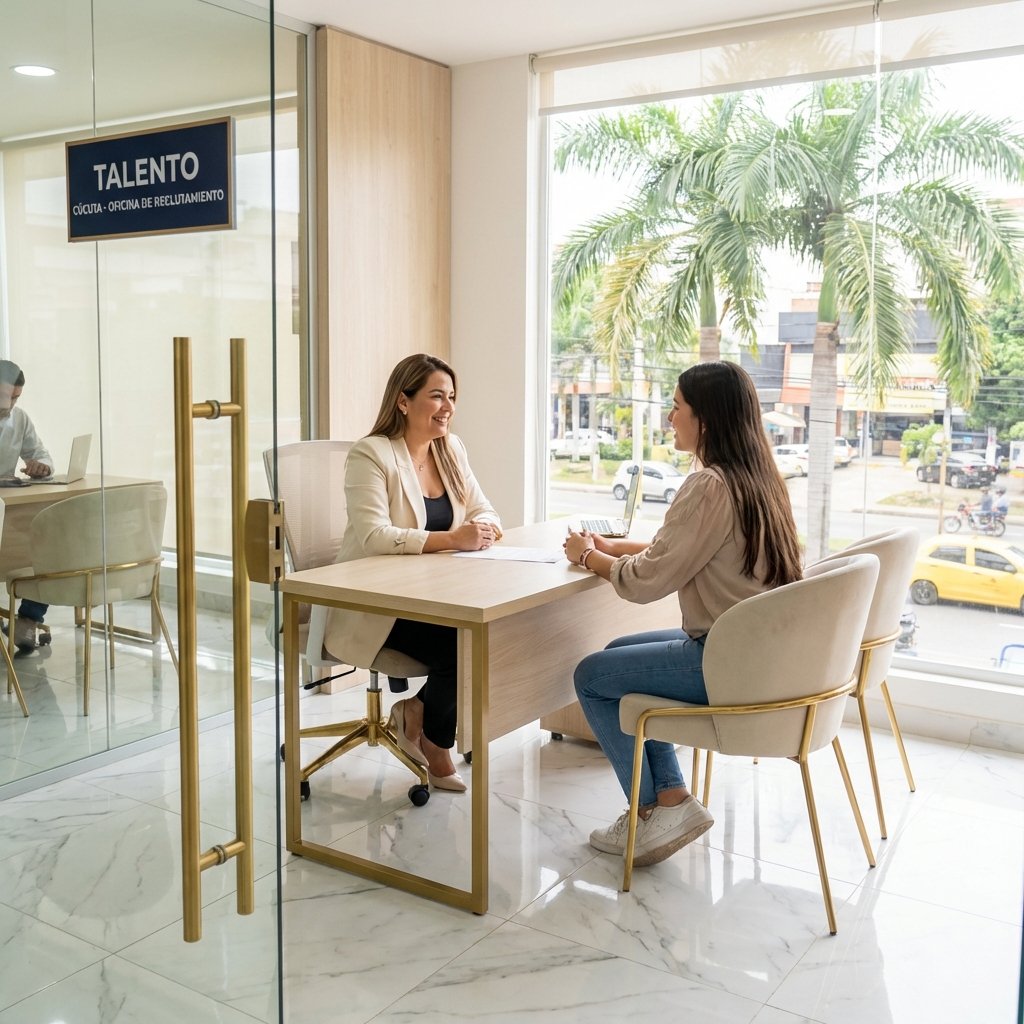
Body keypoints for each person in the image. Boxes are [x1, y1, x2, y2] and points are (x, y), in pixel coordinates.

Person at [563, 361, 802, 868]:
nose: (670, 417)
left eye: (677, 407)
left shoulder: (708, 485)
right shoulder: (757, 479)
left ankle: (649, 810)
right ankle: (671, 798)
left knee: (591, 676)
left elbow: (645, 581)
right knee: (617, 652)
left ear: (705, 420)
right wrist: (615, 547)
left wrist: (588, 557)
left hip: (727, 664)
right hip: (762, 656)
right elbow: (684, 549)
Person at [323, 353, 502, 792]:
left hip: (433, 592)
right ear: (403, 401)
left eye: (452, 396)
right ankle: (437, 744)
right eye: (437, 396)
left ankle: (415, 711)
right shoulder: (371, 454)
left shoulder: (451, 449)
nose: (448, 407)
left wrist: (484, 527)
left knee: (491, 633)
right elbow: (374, 536)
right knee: (459, 644)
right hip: (374, 602)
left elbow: (483, 508)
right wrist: (453, 539)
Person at [0, 359, 53, 651]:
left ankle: (28, 619)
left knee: (48, 546)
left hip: (7, 511)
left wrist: (41, 467)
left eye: (15, 398)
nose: (9, 404)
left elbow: (41, 453)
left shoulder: (19, 419)